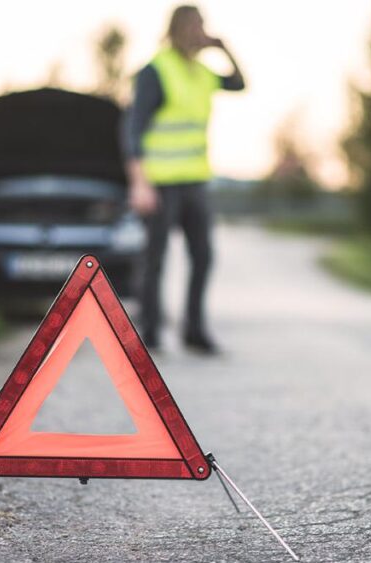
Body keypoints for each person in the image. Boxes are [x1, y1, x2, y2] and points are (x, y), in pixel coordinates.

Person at [123, 5, 245, 354]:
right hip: (159, 183)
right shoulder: (156, 71)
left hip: (194, 181)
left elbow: (239, 83)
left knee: (203, 256)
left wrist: (224, 49)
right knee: (155, 258)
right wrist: (139, 182)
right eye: (194, 25)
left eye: (203, 26)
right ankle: (149, 332)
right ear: (177, 29)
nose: (199, 31)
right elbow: (133, 129)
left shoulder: (203, 73)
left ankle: (194, 329)